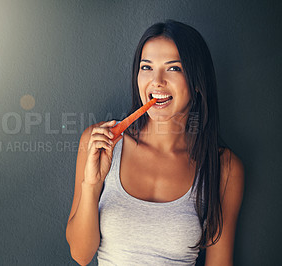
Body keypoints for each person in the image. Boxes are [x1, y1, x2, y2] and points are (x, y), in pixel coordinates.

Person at [65, 20, 244, 265]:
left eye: (173, 69)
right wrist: (91, 184)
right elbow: (80, 255)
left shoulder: (225, 167)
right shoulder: (101, 142)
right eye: (146, 67)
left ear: (198, 83)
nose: (156, 81)